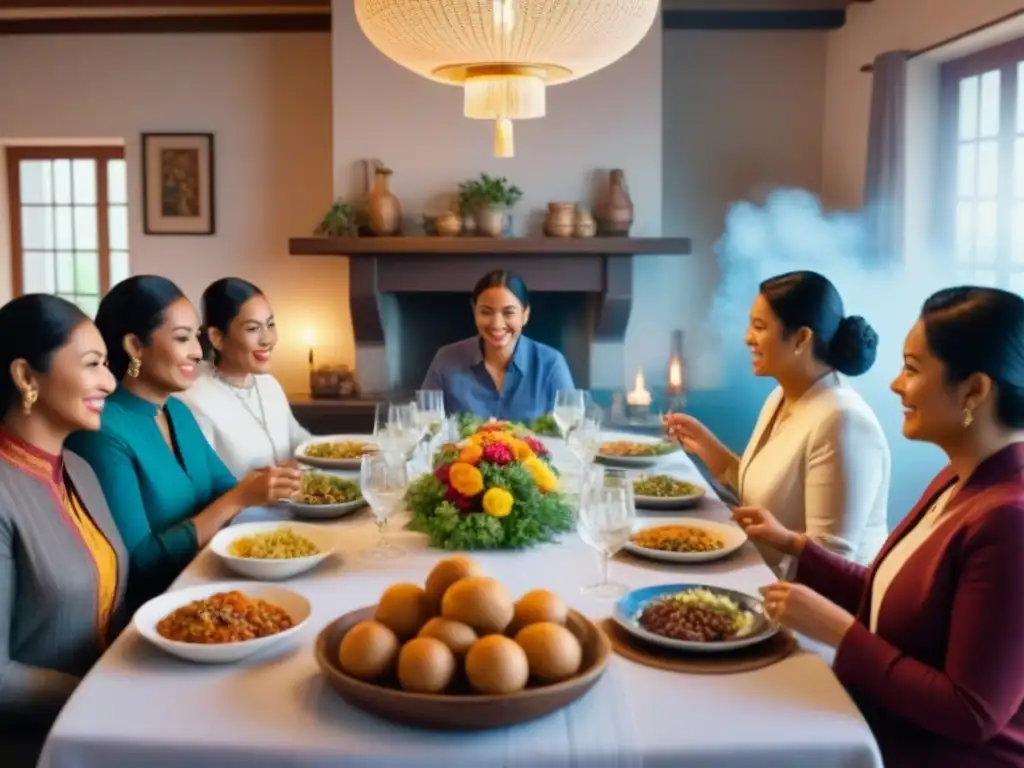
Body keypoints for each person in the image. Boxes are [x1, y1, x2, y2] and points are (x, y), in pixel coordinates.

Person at [738, 286, 1024, 767]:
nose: (894, 384)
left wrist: (843, 634)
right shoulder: (957, 476)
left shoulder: (1009, 521)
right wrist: (797, 548)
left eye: (912, 369)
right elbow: (890, 594)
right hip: (876, 719)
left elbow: (972, 713)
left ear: (975, 390)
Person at [66, 276, 302, 610]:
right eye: (181, 338)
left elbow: (225, 488)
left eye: (195, 336)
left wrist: (265, 484)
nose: (196, 351)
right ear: (134, 346)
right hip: (158, 609)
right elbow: (140, 562)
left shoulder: (176, 410)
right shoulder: (103, 432)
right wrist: (239, 497)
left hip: (212, 584)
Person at [664, 270, 890, 571]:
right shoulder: (781, 396)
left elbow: (832, 560)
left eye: (759, 327)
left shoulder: (843, 421)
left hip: (812, 606)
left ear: (801, 338)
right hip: (760, 575)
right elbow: (764, 499)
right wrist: (710, 449)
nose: (747, 338)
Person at [0, 295, 127, 762]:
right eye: (92, 364)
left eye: (108, 364)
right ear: (26, 376)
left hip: (107, 716)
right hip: (36, 744)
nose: (110, 383)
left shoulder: (79, 469)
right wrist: (110, 694)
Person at [177, 278, 311, 479]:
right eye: (253, 328)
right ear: (217, 337)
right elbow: (203, 485)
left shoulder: (268, 383)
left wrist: (344, 451)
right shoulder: (193, 400)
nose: (267, 339)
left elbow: (299, 440)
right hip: (244, 511)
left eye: (270, 324)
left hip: (293, 504)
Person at [421, 269, 574, 422]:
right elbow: (425, 424)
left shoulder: (552, 364)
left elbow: (571, 427)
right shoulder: (445, 359)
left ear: (525, 314)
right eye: (486, 312)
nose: (497, 324)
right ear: (475, 311)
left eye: (508, 313)